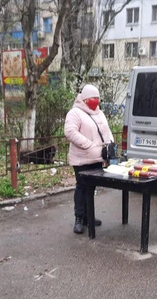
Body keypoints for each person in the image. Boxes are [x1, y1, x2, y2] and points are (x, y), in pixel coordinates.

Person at [64, 84, 113, 234]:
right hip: (81, 159)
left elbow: (106, 131)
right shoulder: (75, 113)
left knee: (91, 188)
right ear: (85, 99)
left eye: (98, 98)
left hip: (97, 158)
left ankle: (88, 217)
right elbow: (70, 132)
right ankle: (79, 218)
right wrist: (89, 145)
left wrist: (110, 146)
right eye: (93, 98)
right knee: (82, 187)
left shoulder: (99, 113)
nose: (96, 101)